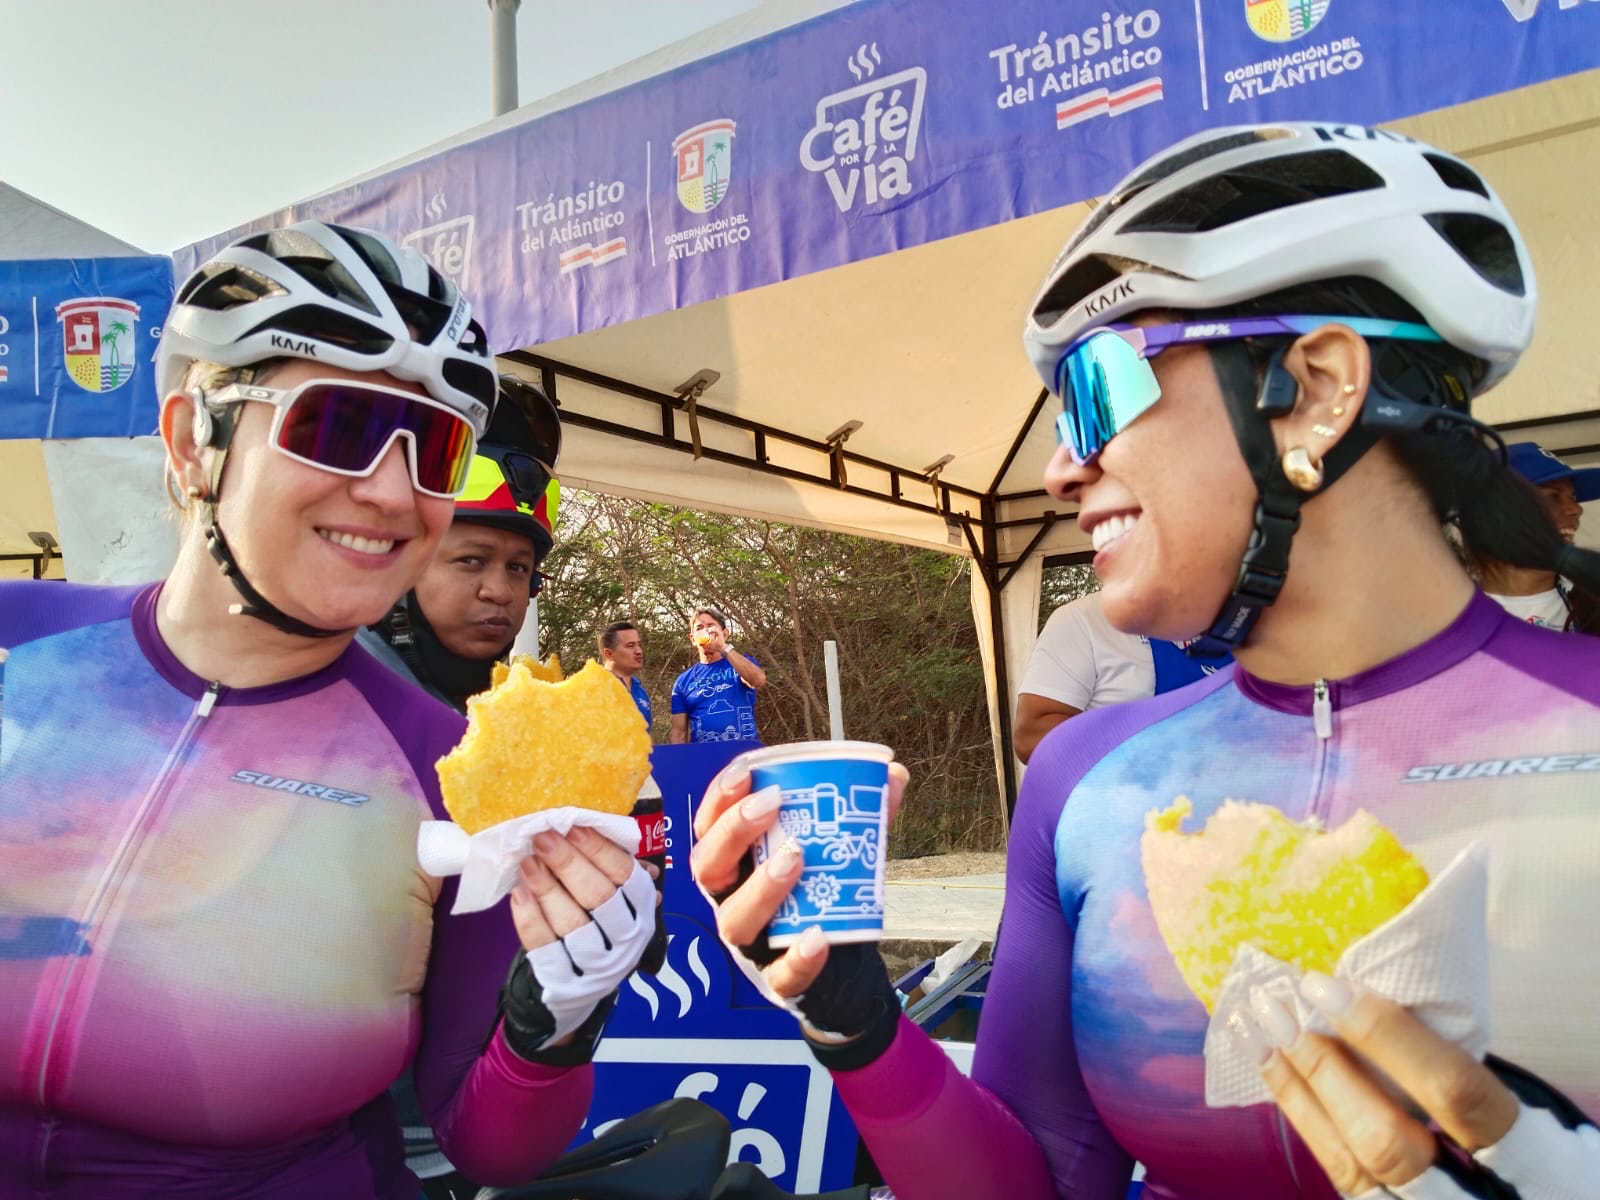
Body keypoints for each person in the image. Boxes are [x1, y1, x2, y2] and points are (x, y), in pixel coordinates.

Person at [689, 123, 1600, 1200]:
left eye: (1097, 384)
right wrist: (856, 1025)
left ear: (1317, 388)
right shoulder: (1087, 780)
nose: (1057, 470)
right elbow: (1035, 1186)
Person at [0, 222, 656, 1199]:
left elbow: (490, 1150)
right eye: (337, 427)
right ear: (191, 441)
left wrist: (552, 1025)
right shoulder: (15, 642)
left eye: (433, 450)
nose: (392, 493)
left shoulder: (451, 770)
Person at [365, 375, 562, 711]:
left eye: (518, 567)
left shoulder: (507, 714)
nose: (499, 592)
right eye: (471, 560)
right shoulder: (330, 705)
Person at [1013, 589, 1229, 762]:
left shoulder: (1241, 621)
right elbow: (1031, 738)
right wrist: (1150, 741)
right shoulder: (1085, 621)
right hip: (1136, 801)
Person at [1465, 441, 1600, 633]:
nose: (1576, 509)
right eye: (1552, 497)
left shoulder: (1591, 604)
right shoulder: (1444, 614)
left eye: (1573, 497)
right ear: (1494, 515)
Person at [669, 606, 766, 743]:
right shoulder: (683, 681)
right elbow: (678, 733)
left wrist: (723, 647)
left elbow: (758, 680)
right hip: (704, 754)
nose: (706, 631)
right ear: (692, 638)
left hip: (744, 750)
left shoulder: (739, 663)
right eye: (699, 628)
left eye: (710, 626)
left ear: (724, 634)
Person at [599, 620, 653, 731]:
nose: (639, 651)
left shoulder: (639, 690)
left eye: (639, 645)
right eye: (630, 646)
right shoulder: (593, 689)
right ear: (609, 654)